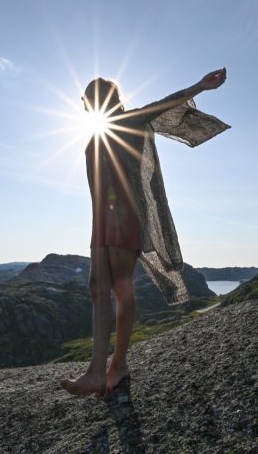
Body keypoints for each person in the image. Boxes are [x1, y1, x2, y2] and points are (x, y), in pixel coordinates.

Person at [60, 68, 229, 396]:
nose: (89, 105)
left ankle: (116, 364)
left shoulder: (130, 120)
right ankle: (97, 371)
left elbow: (164, 105)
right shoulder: (96, 133)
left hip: (125, 216)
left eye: (94, 99)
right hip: (101, 220)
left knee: (121, 288)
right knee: (98, 287)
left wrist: (200, 85)